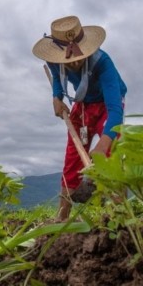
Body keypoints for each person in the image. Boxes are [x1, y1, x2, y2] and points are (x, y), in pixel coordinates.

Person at [32, 15, 127, 221]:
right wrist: (57, 96)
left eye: (78, 59)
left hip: (107, 105)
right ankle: (62, 216)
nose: (73, 65)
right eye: (69, 61)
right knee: (73, 155)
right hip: (83, 104)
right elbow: (57, 77)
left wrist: (103, 143)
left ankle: (122, 216)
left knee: (112, 152)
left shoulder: (103, 63)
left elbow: (115, 111)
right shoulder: (54, 59)